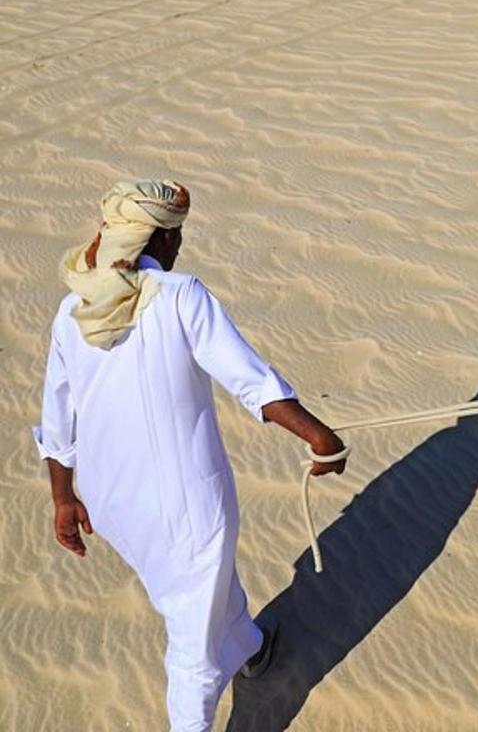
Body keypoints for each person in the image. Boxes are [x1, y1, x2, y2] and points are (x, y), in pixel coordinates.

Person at [33, 179, 348, 731]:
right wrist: (320, 436)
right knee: (193, 655)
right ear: (161, 239)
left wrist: (64, 499)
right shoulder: (180, 295)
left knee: (198, 590)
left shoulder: (72, 309)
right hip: (188, 508)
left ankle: (251, 650)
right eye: (176, 237)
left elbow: (57, 419)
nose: (180, 248)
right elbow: (252, 382)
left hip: (113, 505)